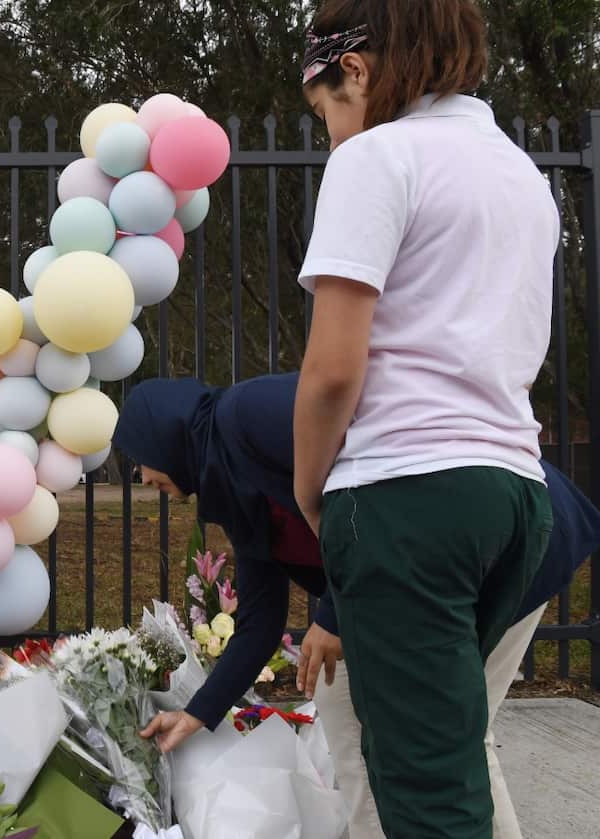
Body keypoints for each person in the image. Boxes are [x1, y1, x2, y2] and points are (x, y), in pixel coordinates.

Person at [119, 374, 600, 839]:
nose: (141, 476)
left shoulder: (248, 414)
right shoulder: (233, 492)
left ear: (165, 435)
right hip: (419, 571)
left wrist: (332, 614)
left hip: (492, 547)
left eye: (140, 458)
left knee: (443, 732)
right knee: (361, 706)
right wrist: (198, 712)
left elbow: (380, 476)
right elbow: (260, 623)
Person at [292, 0, 558, 836]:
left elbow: (334, 369)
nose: (332, 131)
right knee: (446, 755)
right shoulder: (522, 175)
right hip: (516, 496)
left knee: (424, 792)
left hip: (408, 496)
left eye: (327, 106)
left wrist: (312, 490)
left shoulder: (378, 157)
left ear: (359, 70)